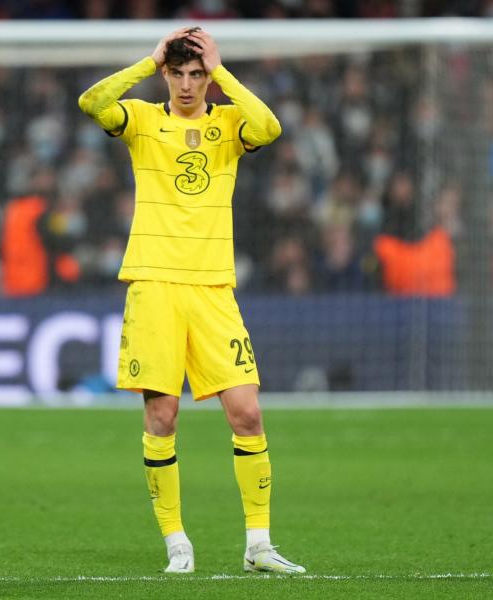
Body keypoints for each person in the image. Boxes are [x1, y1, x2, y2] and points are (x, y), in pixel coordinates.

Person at [78, 27, 305, 574]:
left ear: (208, 77)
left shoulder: (228, 123)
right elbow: (92, 102)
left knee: (247, 412)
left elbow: (269, 127)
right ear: (165, 74)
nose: (186, 83)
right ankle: (177, 541)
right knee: (163, 415)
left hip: (212, 287)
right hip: (154, 283)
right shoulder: (143, 120)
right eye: (177, 73)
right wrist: (148, 58)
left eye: (195, 74)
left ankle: (259, 545)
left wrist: (222, 71)